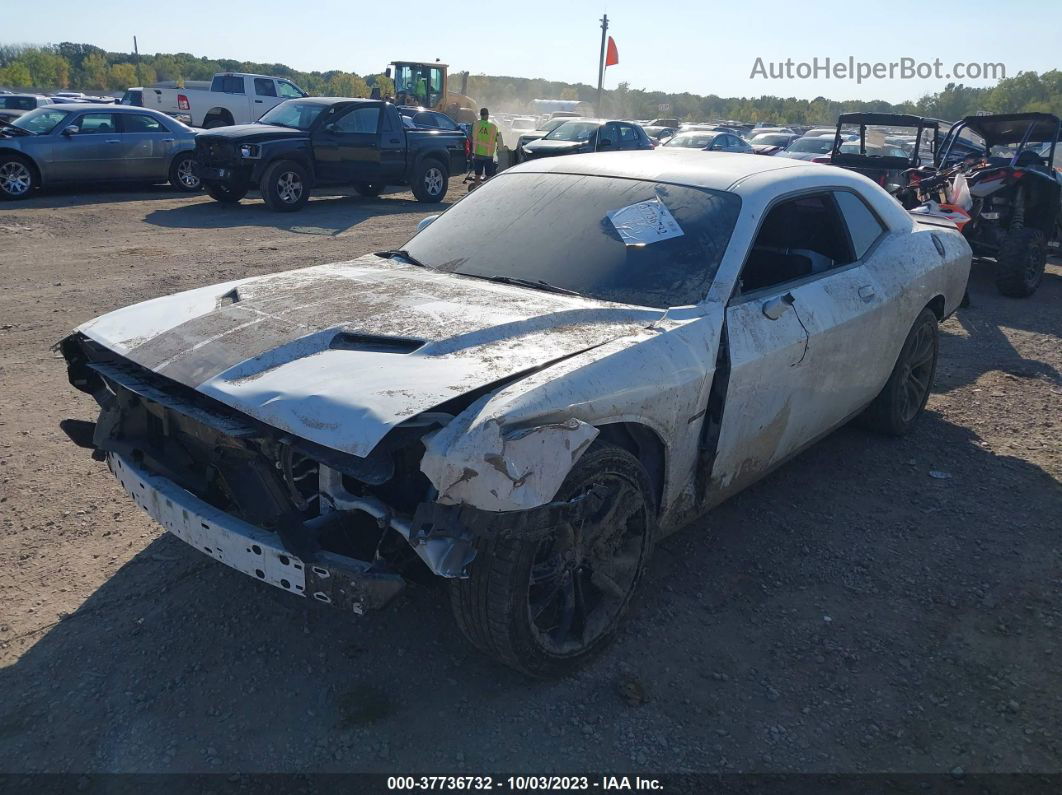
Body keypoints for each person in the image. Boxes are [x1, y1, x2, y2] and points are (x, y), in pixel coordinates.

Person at [470, 107, 503, 189]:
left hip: (477, 153)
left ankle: (477, 189)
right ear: (487, 115)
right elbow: (498, 139)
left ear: (481, 115)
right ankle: (487, 190)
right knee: (489, 175)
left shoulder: (475, 124)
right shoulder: (493, 127)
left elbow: (471, 137)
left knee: (477, 174)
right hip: (488, 154)